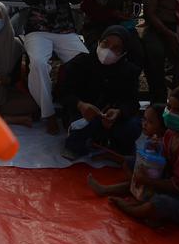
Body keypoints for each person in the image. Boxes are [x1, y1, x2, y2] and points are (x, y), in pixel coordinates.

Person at [114, 84, 179, 228]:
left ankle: (131, 208)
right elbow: (165, 163)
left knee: (159, 203)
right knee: (131, 162)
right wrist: (156, 149)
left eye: (178, 110)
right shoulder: (170, 133)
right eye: (169, 107)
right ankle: (139, 197)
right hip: (171, 184)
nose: (170, 112)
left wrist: (148, 181)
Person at [20, 0, 85, 134]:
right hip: (38, 31)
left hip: (65, 30)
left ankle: (74, 107)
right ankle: (47, 114)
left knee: (86, 62)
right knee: (39, 63)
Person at [55, 25, 143, 159]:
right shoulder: (80, 63)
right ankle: (83, 142)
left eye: (116, 48)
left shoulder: (129, 71)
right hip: (83, 115)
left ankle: (113, 145)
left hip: (112, 119)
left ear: (124, 52)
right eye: (105, 44)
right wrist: (81, 105)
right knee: (82, 128)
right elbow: (61, 93)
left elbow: (132, 102)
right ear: (98, 42)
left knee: (133, 127)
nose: (108, 50)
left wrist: (118, 112)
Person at [87, 103, 167, 204]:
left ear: (162, 127)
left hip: (156, 178)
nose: (144, 124)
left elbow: (157, 167)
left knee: (140, 181)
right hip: (147, 174)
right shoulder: (153, 138)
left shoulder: (163, 141)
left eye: (150, 122)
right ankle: (130, 189)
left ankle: (134, 194)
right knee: (127, 162)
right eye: (144, 119)